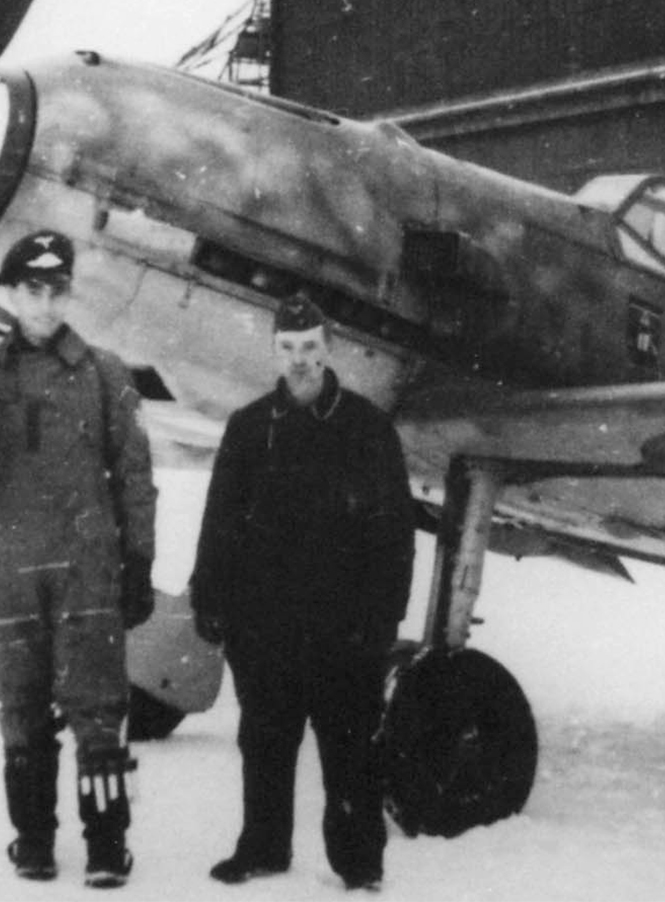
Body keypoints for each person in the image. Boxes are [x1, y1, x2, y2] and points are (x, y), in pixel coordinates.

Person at [0, 230, 157, 889]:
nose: (45, 304)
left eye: (57, 291)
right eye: (32, 289)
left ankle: (108, 845)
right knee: (20, 708)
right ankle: (32, 840)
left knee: (98, 710)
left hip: (85, 564)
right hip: (6, 567)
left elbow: (134, 474)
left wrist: (138, 559)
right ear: (12, 292)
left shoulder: (106, 373)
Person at [189, 293, 414, 893]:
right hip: (266, 625)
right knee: (264, 741)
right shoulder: (249, 427)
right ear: (273, 351)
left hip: (344, 629)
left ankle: (359, 863)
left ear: (329, 346)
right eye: (287, 348)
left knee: (349, 754)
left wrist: (383, 617)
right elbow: (220, 521)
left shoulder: (368, 428)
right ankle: (263, 847)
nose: (299, 361)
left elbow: (395, 533)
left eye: (310, 347)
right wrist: (209, 596)